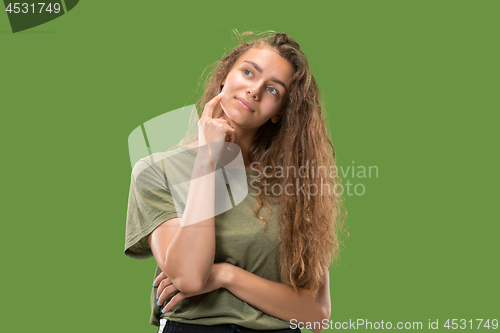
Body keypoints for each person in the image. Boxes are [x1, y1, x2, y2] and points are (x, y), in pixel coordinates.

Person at [125, 31, 345, 333]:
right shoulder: (157, 171)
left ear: (278, 113)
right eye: (248, 72)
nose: (254, 89)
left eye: (273, 90)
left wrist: (225, 275)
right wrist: (207, 159)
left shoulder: (295, 184)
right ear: (224, 78)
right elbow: (189, 277)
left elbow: (316, 314)